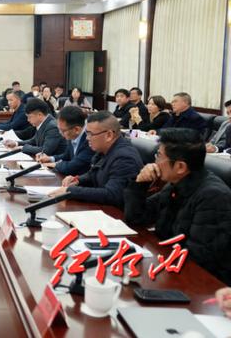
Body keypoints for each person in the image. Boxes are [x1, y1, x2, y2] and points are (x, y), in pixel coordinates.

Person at [124, 128, 231, 284]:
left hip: (201, 284)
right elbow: (136, 217)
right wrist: (140, 184)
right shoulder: (176, 184)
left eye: (159, 156)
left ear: (180, 167)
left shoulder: (213, 197)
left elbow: (198, 259)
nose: (155, 162)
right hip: (169, 266)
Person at [49, 111, 143, 208]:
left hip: (117, 213)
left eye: (90, 134)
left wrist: (71, 191)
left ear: (109, 135)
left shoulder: (124, 158)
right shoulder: (104, 149)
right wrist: (77, 180)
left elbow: (112, 194)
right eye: (86, 133)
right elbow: (93, 174)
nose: (87, 138)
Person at [36, 106, 94, 176]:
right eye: (59, 129)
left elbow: (72, 166)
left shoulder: (89, 140)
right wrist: (50, 158)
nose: (60, 133)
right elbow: (66, 156)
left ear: (76, 129)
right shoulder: (72, 133)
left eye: (63, 130)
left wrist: (53, 164)